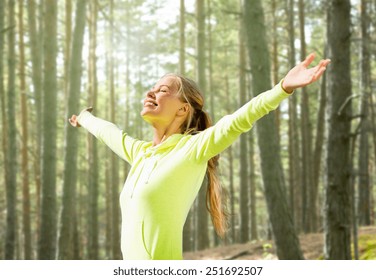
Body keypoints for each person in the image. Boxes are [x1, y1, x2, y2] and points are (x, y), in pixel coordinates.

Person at [69, 53, 330, 260]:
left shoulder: (193, 149)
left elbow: (240, 119)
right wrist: (84, 117)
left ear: (183, 109)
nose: (151, 92)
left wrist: (282, 87)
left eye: (162, 90)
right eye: (152, 88)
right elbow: (108, 131)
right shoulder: (140, 154)